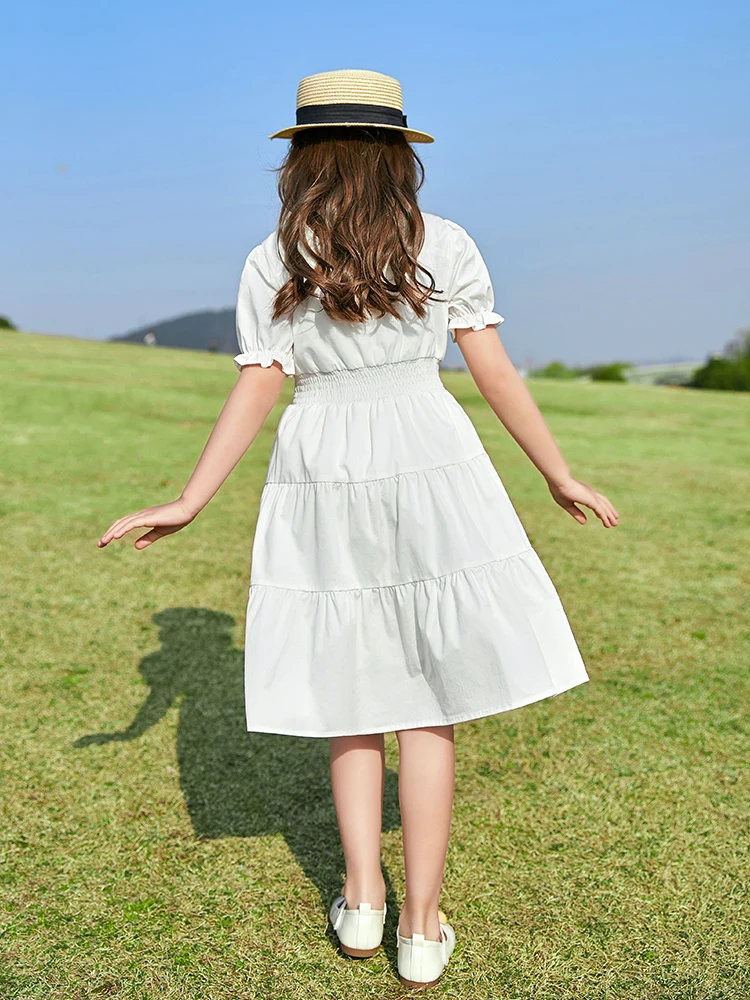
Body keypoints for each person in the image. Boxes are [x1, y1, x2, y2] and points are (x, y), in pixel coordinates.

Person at [98, 69, 619, 989]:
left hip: (322, 459)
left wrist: (191, 498)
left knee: (352, 690)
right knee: (426, 693)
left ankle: (364, 902)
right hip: (431, 449)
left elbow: (259, 381)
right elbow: (493, 370)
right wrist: (557, 472)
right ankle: (420, 925)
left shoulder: (276, 256)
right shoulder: (443, 244)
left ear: (303, 158)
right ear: (397, 156)